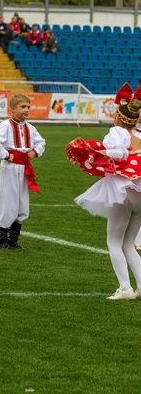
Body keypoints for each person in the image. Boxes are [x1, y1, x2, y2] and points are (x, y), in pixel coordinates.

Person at [66, 83, 141, 300]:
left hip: (124, 188)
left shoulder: (117, 131)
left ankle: (125, 288)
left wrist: (96, 149)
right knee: (129, 244)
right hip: (139, 191)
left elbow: (118, 153)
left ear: (118, 116)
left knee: (114, 242)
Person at [0, 94, 46, 249]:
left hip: (24, 167)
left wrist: (35, 151)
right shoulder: (5, 126)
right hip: (10, 168)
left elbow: (41, 142)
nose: (26, 110)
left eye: (28, 107)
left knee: (22, 201)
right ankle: (3, 239)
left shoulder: (30, 128)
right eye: (23, 107)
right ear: (12, 109)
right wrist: (6, 155)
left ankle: (14, 239)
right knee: (8, 199)